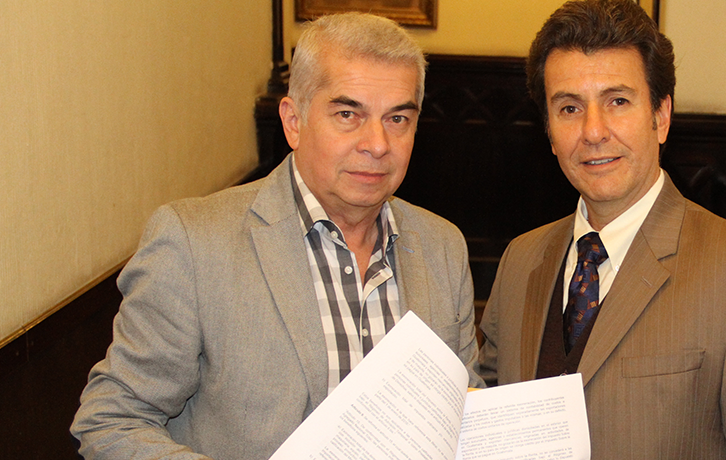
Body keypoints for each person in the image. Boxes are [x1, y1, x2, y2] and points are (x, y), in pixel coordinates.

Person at [71, 13, 481, 459]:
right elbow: (112, 422)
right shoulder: (195, 244)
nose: (378, 144)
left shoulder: (443, 246)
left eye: (397, 118)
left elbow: (463, 414)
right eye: (348, 114)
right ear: (293, 121)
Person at [477, 0, 726, 458]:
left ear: (660, 116)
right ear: (549, 132)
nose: (593, 132)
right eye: (569, 108)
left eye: (617, 101)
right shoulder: (521, 259)